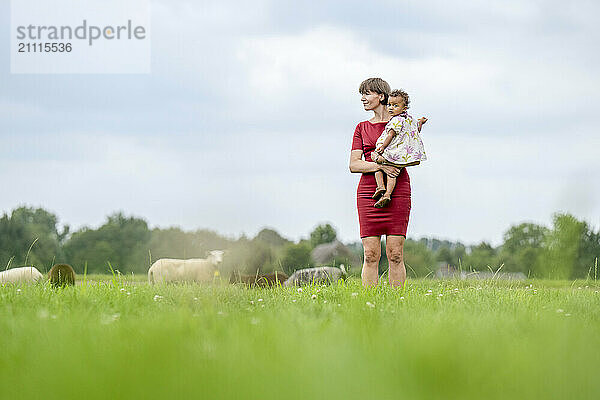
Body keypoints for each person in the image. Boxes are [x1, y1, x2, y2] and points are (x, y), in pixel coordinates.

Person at [349, 77, 413, 288]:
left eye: (367, 94)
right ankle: (370, 303)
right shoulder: (361, 127)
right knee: (370, 254)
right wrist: (380, 166)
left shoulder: (402, 124)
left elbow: (412, 155)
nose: (363, 99)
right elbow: (354, 164)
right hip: (369, 191)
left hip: (398, 189)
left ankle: (397, 301)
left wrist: (389, 165)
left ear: (381, 96)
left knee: (395, 253)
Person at [371, 89, 428, 208]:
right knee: (393, 173)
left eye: (395, 105)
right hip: (402, 154)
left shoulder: (396, 120)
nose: (391, 108)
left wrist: (382, 147)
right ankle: (387, 194)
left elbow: (390, 135)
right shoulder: (409, 119)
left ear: (404, 107)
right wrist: (421, 122)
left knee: (376, 163)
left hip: (392, 151)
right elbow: (416, 129)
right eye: (389, 105)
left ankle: (380, 186)